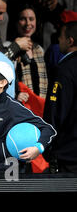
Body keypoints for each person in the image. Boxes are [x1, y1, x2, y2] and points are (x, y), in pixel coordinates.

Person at [43, 21, 77, 172]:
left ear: (70, 41)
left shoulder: (63, 71)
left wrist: (48, 146)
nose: (58, 41)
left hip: (67, 156)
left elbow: (55, 113)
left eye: (61, 37)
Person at [11, 4, 48, 102]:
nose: (28, 23)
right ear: (16, 22)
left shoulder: (39, 49)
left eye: (31, 19)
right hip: (20, 108)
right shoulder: (10, 48)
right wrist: (15, 94)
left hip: (40, 107)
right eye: (23, 19)